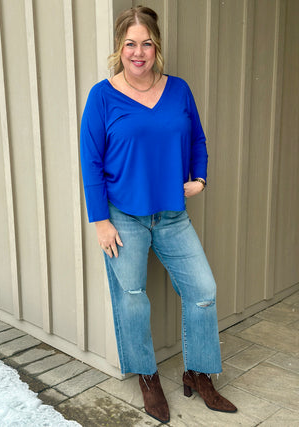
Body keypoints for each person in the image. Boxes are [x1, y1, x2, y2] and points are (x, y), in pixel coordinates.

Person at [80, 6, 237, 424]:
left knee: (203, 290)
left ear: (156, 47)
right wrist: (101, 221)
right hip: (124, 217)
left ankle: (199, 372)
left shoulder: (179, 89)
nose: (138, 52)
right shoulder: (102, 96)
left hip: (171, 215)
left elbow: (198, 139)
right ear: (119, 48)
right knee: (132, 300)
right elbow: (90, 162)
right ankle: (147, 378)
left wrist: (199, 179)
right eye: (130, 43)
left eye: (146, 43)